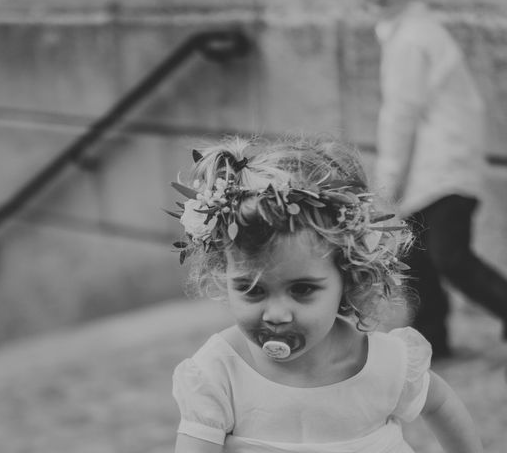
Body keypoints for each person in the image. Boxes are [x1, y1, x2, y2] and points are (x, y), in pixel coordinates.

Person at [168, 135, 483, 453]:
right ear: (225, 276)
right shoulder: (219, 371)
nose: (276, 314)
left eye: (302, 289)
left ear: (346, 278)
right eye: (252, 290)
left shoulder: (382, 363)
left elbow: (440, 405)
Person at [357, 0, 507, 358]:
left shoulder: (412, 39)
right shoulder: (406, 32)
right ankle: (430, 340)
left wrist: (387, 181)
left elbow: (400, 116)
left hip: (443, 169)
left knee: (450, 257)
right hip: (433, 169)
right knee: (416, 256)